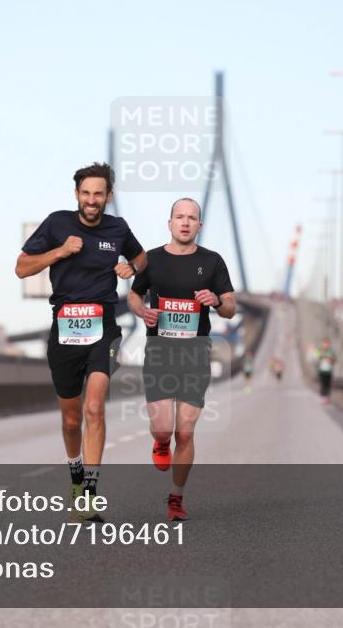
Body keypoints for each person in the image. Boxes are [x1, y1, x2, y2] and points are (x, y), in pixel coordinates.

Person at [16, 162, 146, 522]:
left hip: (103, 326)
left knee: (94, 407)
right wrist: (59, 252)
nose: (92, 200)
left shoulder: (117, 228)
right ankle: (75, 480)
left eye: (98, 194)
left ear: (109, 196)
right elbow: (22, 267)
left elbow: (141, 255)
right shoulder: (57, 223)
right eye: (86, 193)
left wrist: (133, 269)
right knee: (72, 420)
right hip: (64, 329)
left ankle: (89, 492)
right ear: (77, 195)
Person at [128, 198, 235, 521]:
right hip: (160, 350)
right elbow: (134, 294)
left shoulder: (213, 261)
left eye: (192, 218)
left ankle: (175, 499)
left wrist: (216, 301)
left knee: (185, 432)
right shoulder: (152, 259)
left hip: (196, 351)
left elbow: (231, 307)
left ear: (199, 226)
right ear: (170, 223)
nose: (185, 223)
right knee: (163, 430)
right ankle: (160, 443)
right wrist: (142, 311)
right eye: (179, 217)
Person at [316, 337, 336, 404]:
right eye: (324, 343)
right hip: (322, 370)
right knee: (323, 384)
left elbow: (334, 359)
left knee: (328, 384)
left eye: (327, 343)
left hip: (329, 371)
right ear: (322, 344)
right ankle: (323, 397)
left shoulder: (331, 351)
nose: (326, 345)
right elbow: (316, 358)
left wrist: (331, 359)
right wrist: (321, 358)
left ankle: (327, 397)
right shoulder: (320, 351)